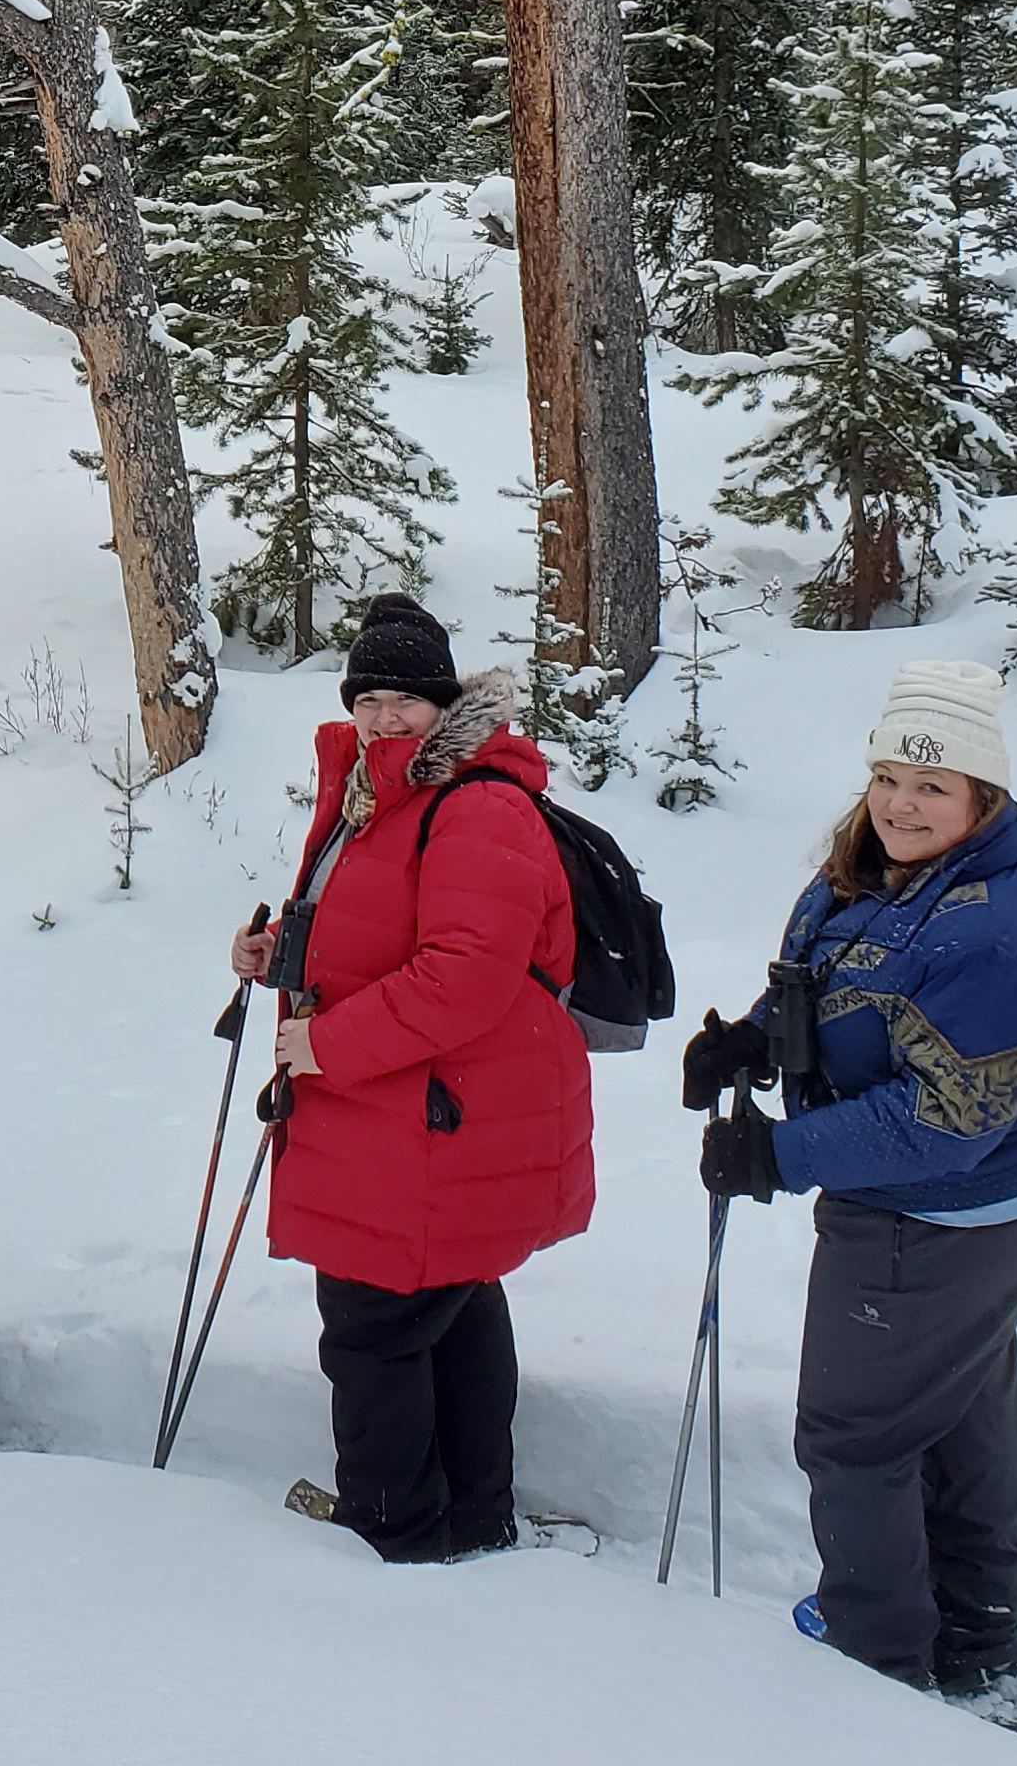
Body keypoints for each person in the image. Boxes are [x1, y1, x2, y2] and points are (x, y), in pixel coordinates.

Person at [687, 660, 1017, 1703]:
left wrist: (776, 1156)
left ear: (982, 800)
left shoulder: (993, 930)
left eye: (934, 786)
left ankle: (874, 1663)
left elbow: (940, 1123)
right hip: (967, 1211)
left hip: (939, 1213)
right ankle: (975, 1633)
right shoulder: (876, 877)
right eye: (889, 779)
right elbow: (851, 1000)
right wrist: (755, 1043)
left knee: (856, 1435)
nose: (903, 804)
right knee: (955, 1409)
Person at [223, 593, 592, 1563]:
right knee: (453, 1304)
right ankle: (470, 1516)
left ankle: (396, 1530)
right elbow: (371, 932)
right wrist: (279, 956)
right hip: (402, 1115)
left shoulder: (473, 803)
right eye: (369, 698)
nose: (385, 718)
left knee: (374, 1326)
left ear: (443, 704)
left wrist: (326, 1044)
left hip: (427, 1117)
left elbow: (465, 973)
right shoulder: (374, 796)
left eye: (405, 700)